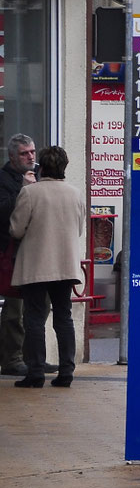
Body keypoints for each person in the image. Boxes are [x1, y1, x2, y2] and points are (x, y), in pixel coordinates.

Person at [9, 146, 85, 388]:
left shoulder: (30, 193)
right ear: (64, 166)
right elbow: (79, 229)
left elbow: (16, 229)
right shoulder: (75, 193)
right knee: (64, 317)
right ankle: (66, 371)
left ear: (41, 167)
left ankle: (36, 372)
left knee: (34, 318)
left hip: (36, 266)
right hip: (65, 264)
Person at [0, 133, 37, 375]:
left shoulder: (38, 175)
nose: (30, 157)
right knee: (15, 309)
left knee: (36, 308)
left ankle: (33, 357)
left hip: (35, 251)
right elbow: (3, 212)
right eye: (24, 153)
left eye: (32, 151)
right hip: (11, 252)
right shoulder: (3, 179)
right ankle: (11, 359)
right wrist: (24, 190)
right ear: (13, 156)